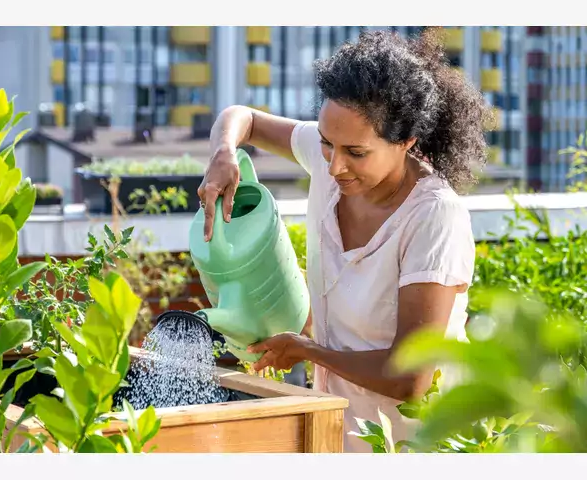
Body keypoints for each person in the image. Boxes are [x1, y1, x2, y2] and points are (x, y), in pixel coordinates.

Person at [197, 29, 489, 453]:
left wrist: (309, 351)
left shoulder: (433, 216)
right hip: (336, 425)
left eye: (355, 152)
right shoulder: (331, 158)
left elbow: (409, 377)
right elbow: (243, 117)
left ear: (407, 141)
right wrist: (222, 152)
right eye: (326, 143)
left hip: (415, 441)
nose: (334, 166)